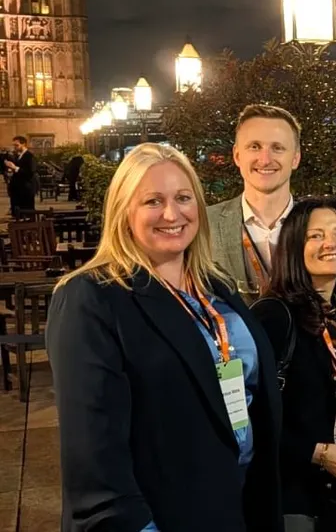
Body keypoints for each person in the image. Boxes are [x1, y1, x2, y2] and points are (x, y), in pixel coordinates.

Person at [45, 143, 282, 531]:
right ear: (124, 211)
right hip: (163, 515)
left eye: (183, 198)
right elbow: (94, 459)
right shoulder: (91, 297)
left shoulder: (215, 285)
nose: (172, 214)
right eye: (153, 201)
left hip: (238, 503)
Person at [251, 197, 336, 531]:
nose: (331, 244)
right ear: (294, 246)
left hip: (331, 497)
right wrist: (318, 453)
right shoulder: (273, 316)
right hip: (288, 498)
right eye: (316, 236)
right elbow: (251, 420)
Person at [210, 104, 302, 303]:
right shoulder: (203, 225)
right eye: (254, 147)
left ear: (295, 158)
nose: (265, 159)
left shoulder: (321, 226)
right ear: (237, 155)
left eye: (277, 148)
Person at [5, 135, 35, 216]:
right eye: (14, 145)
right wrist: (12, 169)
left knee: (25, 211)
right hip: (18, 188)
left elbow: (30, 172)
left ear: (23, 144)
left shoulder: (29, 156)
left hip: (25, 188)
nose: (15, 147)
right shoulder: (19, 155)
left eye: (16, 145)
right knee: (18, 210)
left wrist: (15, 167)